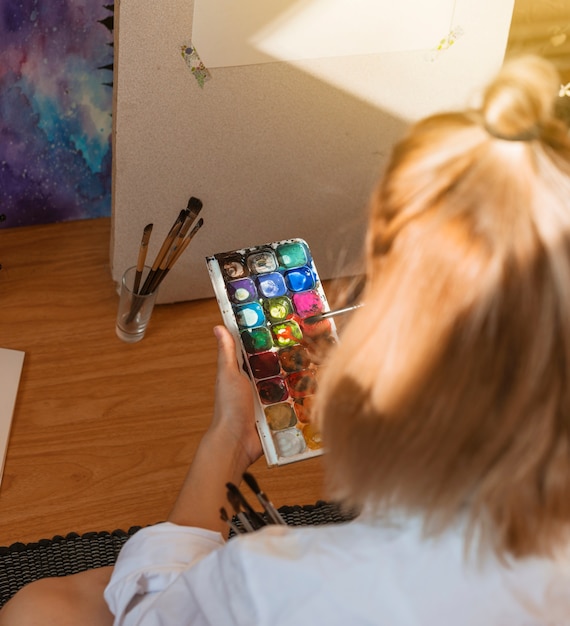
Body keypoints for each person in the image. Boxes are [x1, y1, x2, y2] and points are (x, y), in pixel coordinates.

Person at [2, 53, 570, 625]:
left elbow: (152, 613)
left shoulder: (281, 581)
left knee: (41, 608)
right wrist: (232, 439)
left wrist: (223, 444)